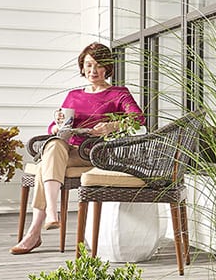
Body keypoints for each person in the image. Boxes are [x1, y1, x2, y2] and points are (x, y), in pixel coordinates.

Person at [10, 42, 144, 255]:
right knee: (54, 145)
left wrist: (112, 126)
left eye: (99, 66)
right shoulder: (74, 95)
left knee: (46, 164)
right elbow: (54, 128)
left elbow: (138, 118)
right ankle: (51, 214)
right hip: (70, 151)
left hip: (96, 153)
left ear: (107, 68)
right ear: (82, 66)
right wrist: (57, 124)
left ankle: (35, 230)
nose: (93, 70)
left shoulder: (119, 93)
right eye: (89, 65)